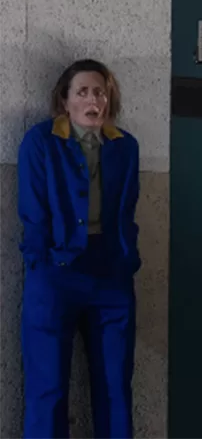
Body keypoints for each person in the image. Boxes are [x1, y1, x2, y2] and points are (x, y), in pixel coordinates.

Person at [19, 59, 141, 438]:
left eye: (100, 92)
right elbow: (33, 212)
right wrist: (42, 262)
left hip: (110, 273)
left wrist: (127, 257)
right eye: (83, 92)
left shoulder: (125, 145)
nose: (94, 100)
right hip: (56, 272)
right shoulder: (41, 141)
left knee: (115, 389)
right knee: (48, 388)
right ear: (65, 100)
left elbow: (127, 209)